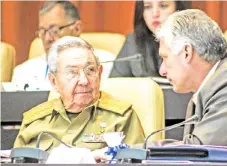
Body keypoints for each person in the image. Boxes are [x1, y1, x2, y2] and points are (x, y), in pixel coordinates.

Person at [14, 36, 145, 151]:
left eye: (90, 70)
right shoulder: (34, 122)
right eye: (72, 72)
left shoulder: (122, 118)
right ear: (54, 81)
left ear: (99, 74)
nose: (84, 80)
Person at [153, 9, 227, 146]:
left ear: (186, 52)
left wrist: (132, 152)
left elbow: (202, 150)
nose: (162, 71)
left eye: (165, 57)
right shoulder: (210, 87)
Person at [12, 1, 115, 90]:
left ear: (77, 29)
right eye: (43, 31)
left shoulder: (107, 64)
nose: (48, 38)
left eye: (54, 30)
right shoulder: (22, 73)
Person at [109, 0, 190, 77]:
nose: (155, 14)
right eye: (147, 7)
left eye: (163, 6)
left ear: (179, 9)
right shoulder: (133, 41)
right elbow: (114, 86)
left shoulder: (193, 42)